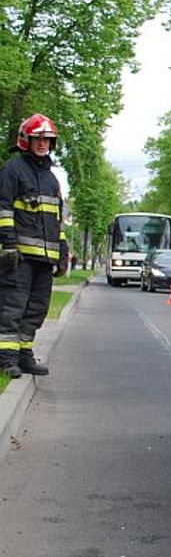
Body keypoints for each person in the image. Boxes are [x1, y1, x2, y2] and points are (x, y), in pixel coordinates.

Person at [0, 114, 68, 378]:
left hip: (45, 258)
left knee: (37, 308)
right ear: (25, 140)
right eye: (38, 138)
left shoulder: (52, 180)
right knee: (12, 307)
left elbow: (56, 221)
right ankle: (6, 358)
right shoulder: (12, 170)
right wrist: (8, 245)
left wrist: (62, 252)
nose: (42, 144)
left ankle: (24, 353)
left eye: (47, 139)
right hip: (19, 257)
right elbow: (3, 209)